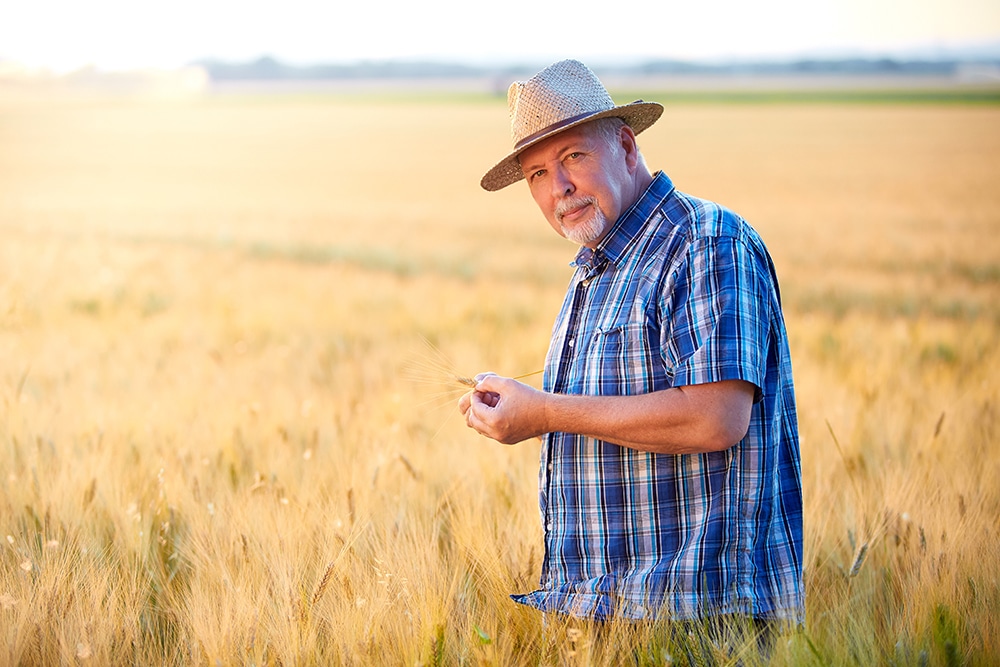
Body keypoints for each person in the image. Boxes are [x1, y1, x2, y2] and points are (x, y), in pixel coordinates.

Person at [458, 59, 804, 632]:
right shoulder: (595, 268)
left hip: (703, 620)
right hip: (604, 615)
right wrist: (523, 406)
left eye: (573, 157)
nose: (560, 188)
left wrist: (543, 411)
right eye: (538, 175)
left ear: (624, 145)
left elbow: (716, 417)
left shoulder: (704, 242)